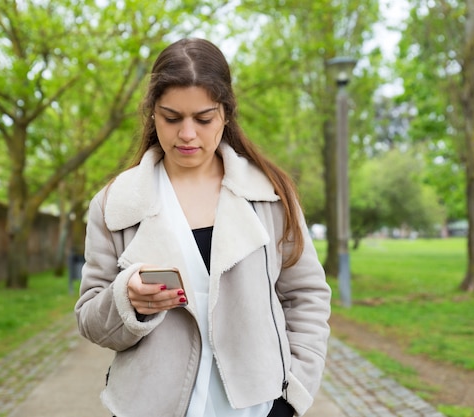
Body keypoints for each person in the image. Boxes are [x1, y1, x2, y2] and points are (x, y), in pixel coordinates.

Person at [75, 38, 331, 417]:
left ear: (226, 114)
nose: (188, 134)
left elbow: (307, 297)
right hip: (148, 407)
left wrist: (292, 395)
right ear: (152, 115)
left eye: (203, 118)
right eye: (172, 118)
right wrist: (127, 301)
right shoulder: (114, 204)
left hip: (258, 408)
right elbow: (90, 319)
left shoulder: (271, 195)